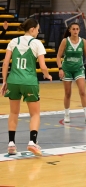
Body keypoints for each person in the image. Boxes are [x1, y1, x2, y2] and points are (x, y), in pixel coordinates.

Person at [0, 18, 52, 156]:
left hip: (13, 81)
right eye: (38, 29)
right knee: (35, 114)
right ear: (32, 29)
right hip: (29, 81)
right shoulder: (36, 43)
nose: (38, 31)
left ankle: (11, 144)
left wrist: (4, 81)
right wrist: (47, 75)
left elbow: (5, 64)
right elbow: (43, 66)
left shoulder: (13, 41)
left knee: (13, 112)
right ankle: (32, 142)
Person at [56, 22, 86, 124]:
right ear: (69, 30)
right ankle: (67, 114)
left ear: (79, 30)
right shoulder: (65, 41)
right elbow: (58, 56)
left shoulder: (83, 41)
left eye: (77, 29)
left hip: (79, 68)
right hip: (67, 69)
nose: (75, 31)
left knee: (82, 91)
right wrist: (60, 68)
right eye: (73, 29)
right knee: (68, 93)